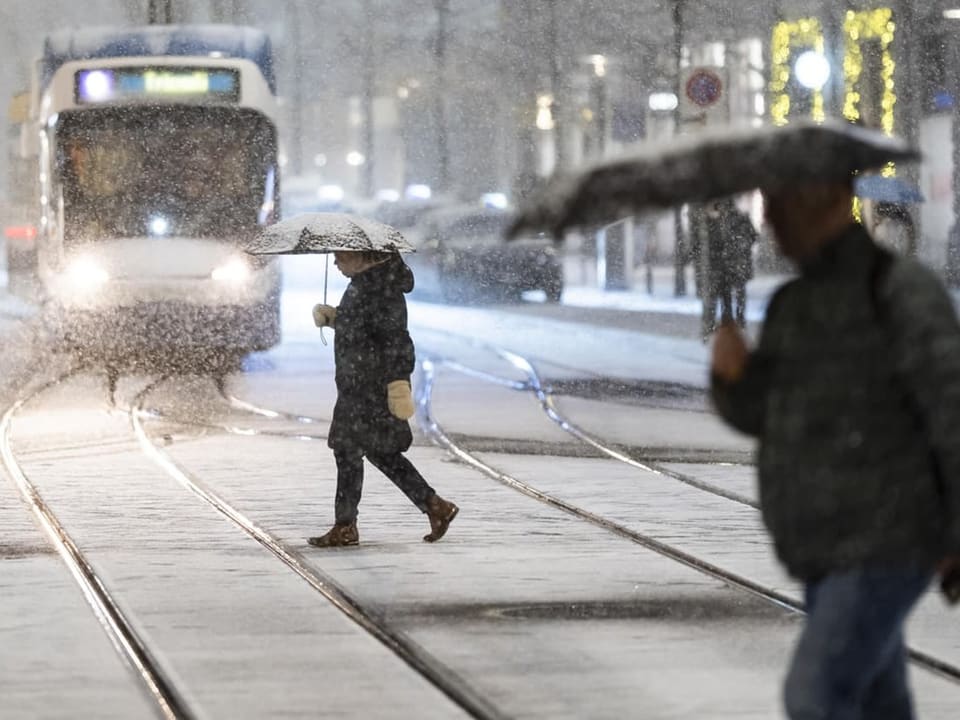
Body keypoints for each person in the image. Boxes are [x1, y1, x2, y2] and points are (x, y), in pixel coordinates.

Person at [710, 175, 960, 719]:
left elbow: (951, 411)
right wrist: (731, 376)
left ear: (824, 199)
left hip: (889, 537)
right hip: (823, 545)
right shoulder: (793, 305)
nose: (769, 218)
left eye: (780, 202)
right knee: (878, 700)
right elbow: (763, 414)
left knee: (817, 694)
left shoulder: (898, 290)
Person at [308, 250, 459, 547]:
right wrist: (335, 318)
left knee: (349, 451)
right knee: (379, 452)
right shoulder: (365, 283)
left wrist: (398, 383)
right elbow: (364, 329)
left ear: (364, 257)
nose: (336, 263)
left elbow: (396, 342)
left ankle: (346, 525)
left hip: (370, 385)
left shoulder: (381, 289)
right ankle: (434, 506)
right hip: (358, 383)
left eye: (340, 257)